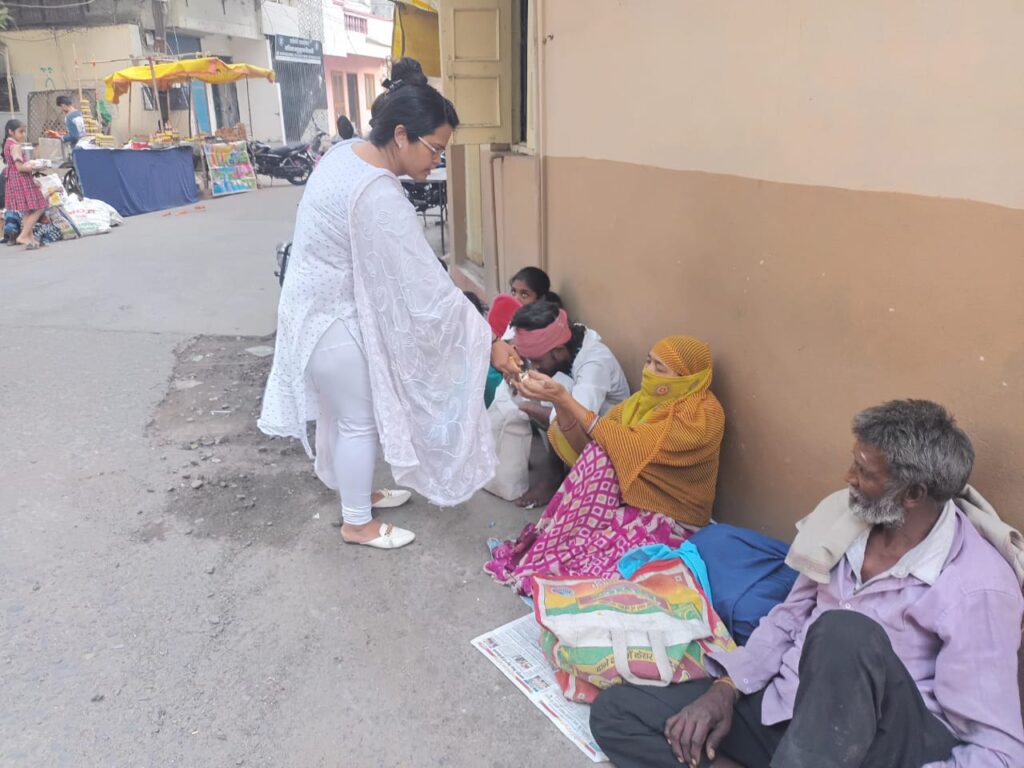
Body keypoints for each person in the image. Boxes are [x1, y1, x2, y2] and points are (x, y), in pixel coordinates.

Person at [590, 399, 1024, 768]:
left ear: (912, 494)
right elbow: (789, 615)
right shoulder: (847, 520)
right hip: (793, 713)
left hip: (880, 747)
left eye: (863, 471)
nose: (848, 478)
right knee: (618, 713)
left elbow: (998, 751)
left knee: (843, 632)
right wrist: (727, 688)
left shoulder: (978, 587)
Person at [258, 58, 522, 550]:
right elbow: (427, 289)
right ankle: (357, 522)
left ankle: (356, 492)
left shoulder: (345, 153)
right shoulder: (378, 194)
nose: (436, 163)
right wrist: (487, 340)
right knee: (359, 420)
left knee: (342, 414)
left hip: (309, 310)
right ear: (401, 135)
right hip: (333, 320)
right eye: (435, 149)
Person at [485, 336, 724, 595]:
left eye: (660, 368)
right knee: (598, 458)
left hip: (673, 515)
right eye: (648, 361)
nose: (648, 372)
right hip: (632, 495)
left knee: (601, 560)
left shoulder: (702, 416)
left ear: (686, 379)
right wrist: (559, 403)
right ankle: (554, 548)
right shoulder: (640, 403)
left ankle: (561, 556)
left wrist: (566, 399)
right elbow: (587, 447)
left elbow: (630, 445)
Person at [510, 300, 630, 506]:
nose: (535, 366)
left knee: (549, 395)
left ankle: (563, 479)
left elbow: (580, 418)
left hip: (610, 435)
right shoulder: (568, 346)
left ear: (558, 350)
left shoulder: (595, 363)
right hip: (585, 417)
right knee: (547, 386)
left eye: (538, 360)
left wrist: (531, 408)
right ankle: (556, 471)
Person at [3, 120, 48, 250]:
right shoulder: (15, 146)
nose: (23, 134)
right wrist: (38, 168)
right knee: (40, 205)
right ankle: (23, 236)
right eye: (20, 132)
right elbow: (20, 167)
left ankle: (31, 239)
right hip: (21, 179)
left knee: (28, 210)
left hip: (13, 179)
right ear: (11, 132)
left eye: (24, 131)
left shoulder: (7, 144)